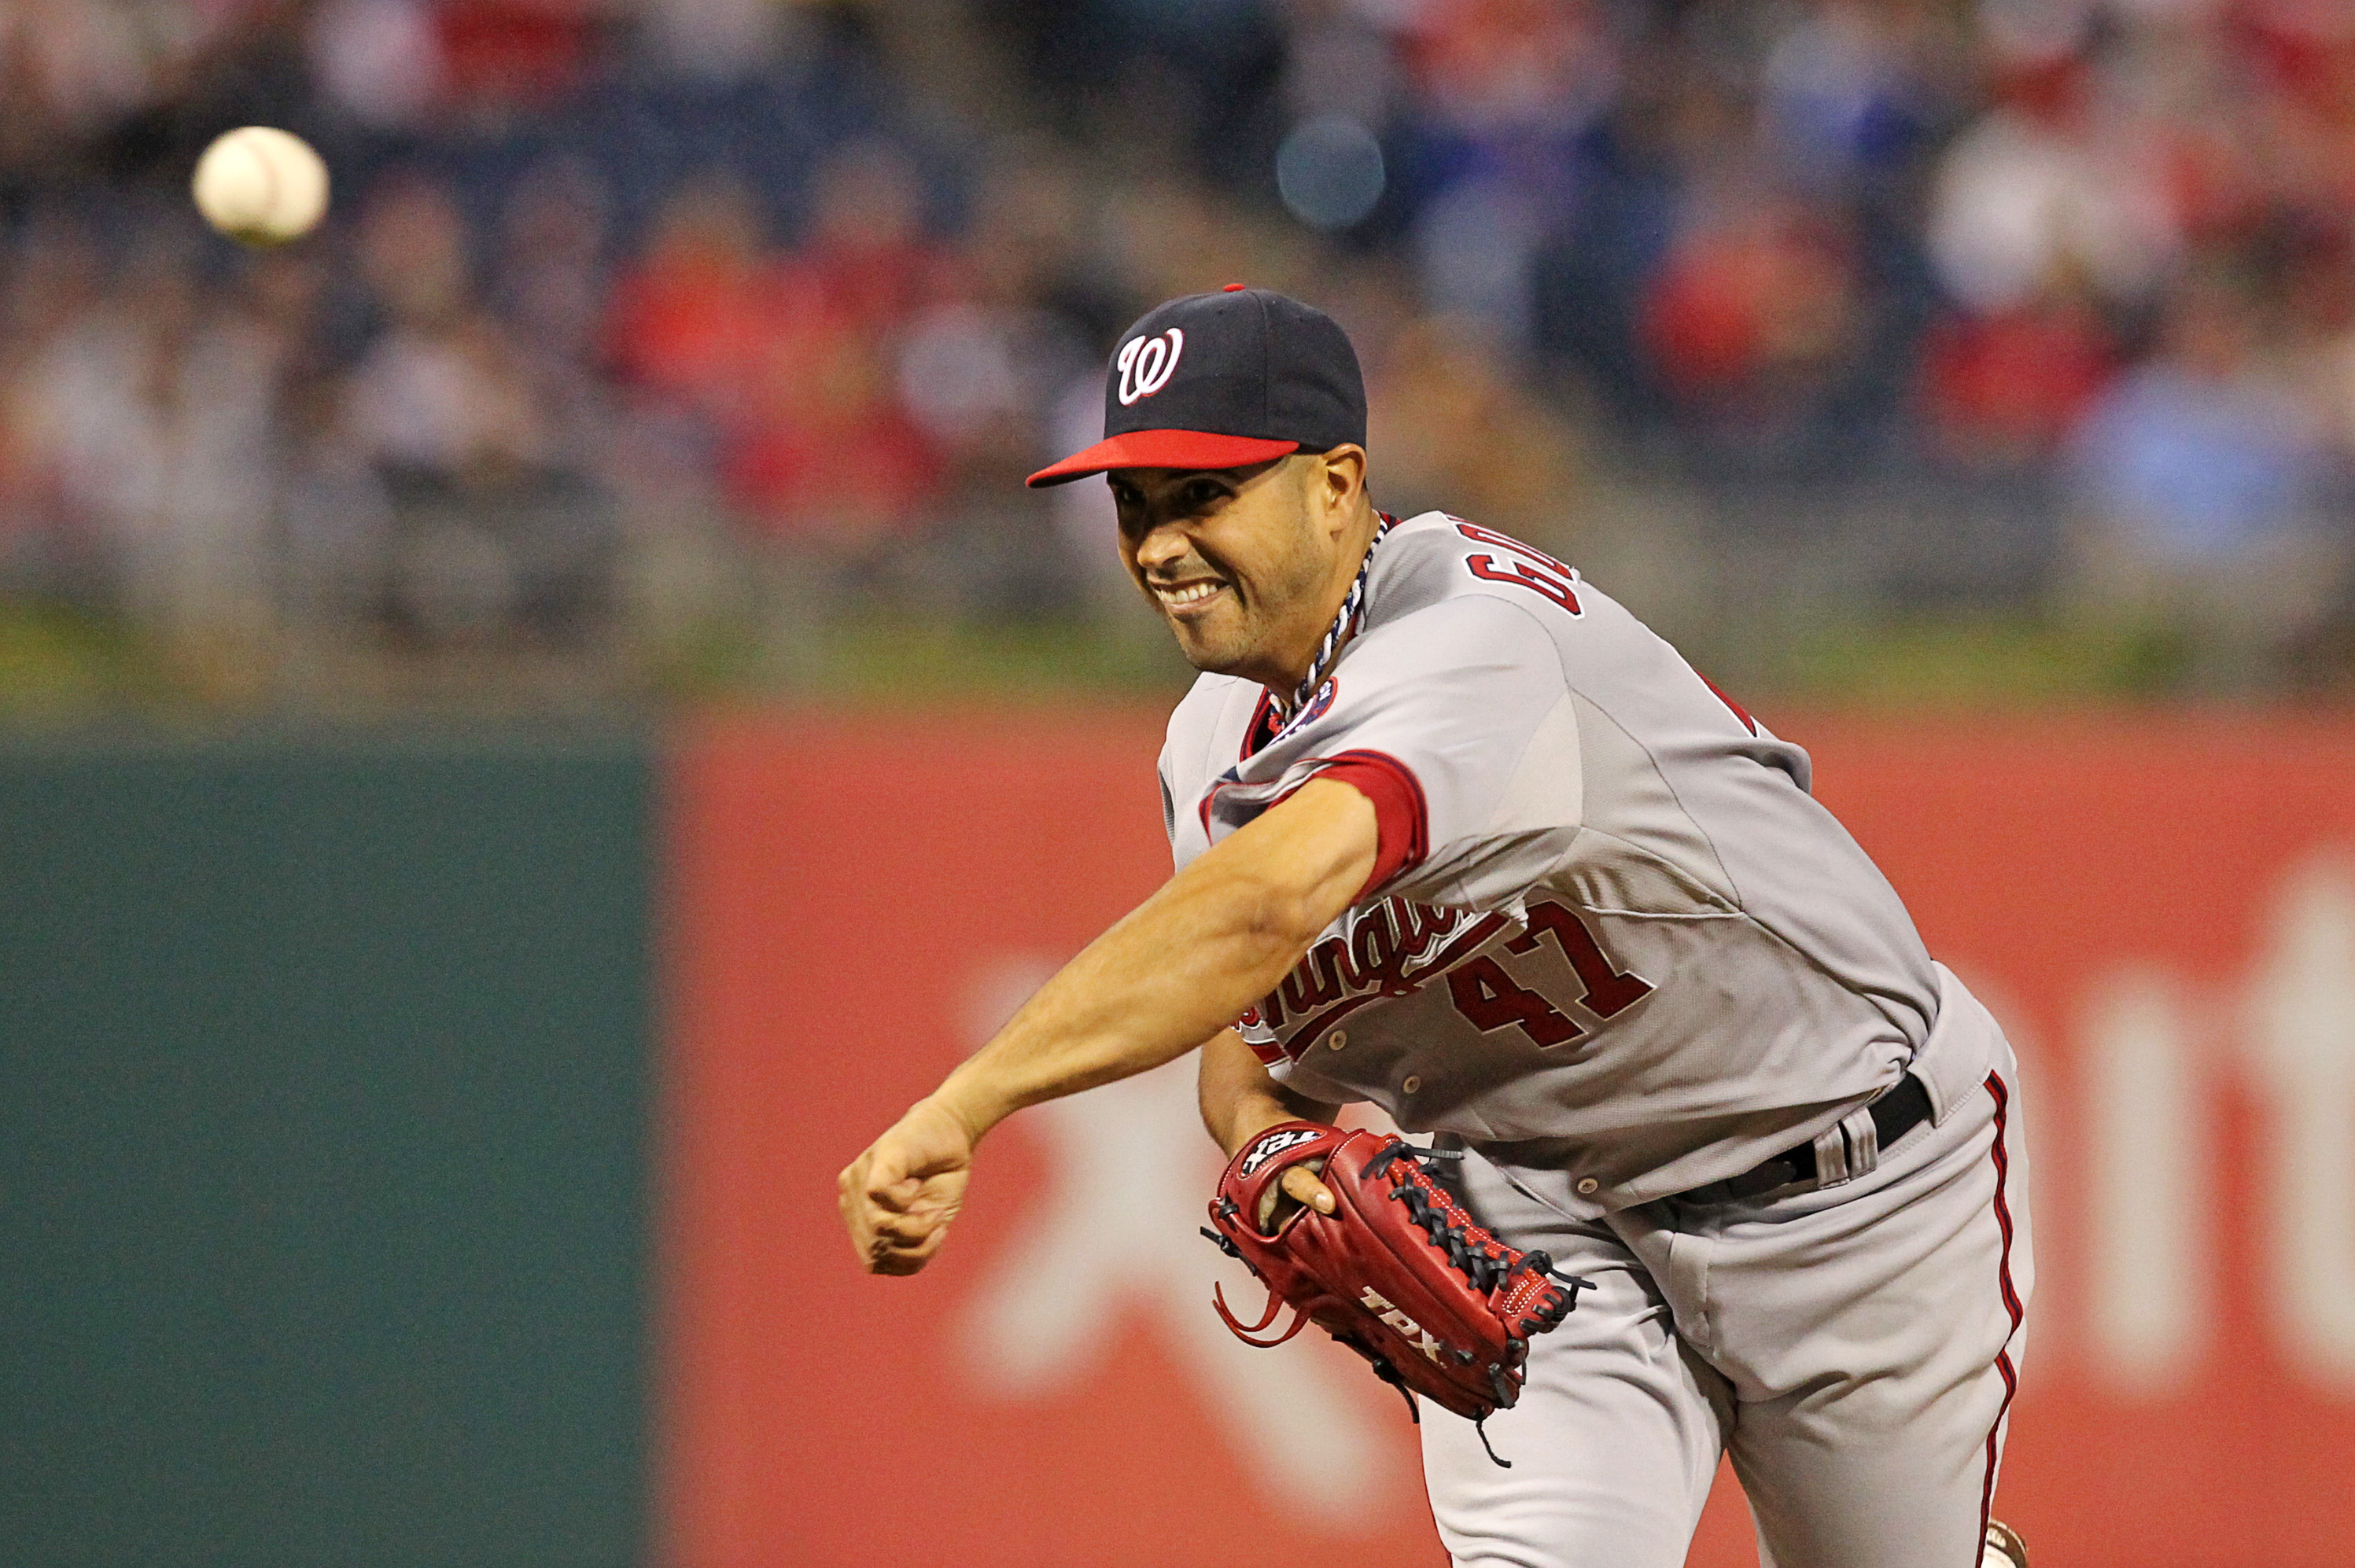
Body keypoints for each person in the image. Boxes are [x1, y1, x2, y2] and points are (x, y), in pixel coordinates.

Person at [838, 286, 2033, 1568]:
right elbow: (1252, 1033)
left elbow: (1259, 905)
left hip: (1843, 1182)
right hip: (1545, 1208)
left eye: (1204, 495)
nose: (1161, 545)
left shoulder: (1474, 637)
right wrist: (1266, 1141)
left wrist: (966, 1100)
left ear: (1336, 486)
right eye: (1135, 505)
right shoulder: (1205, 746)